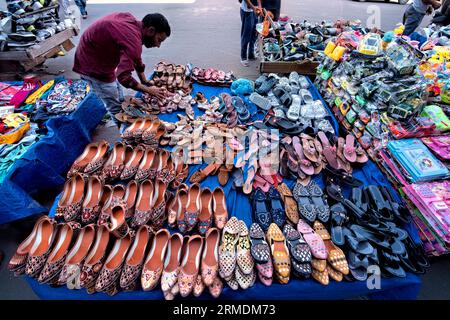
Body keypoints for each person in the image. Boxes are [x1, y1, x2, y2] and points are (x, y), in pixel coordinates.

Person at [73, 12, 170, 127]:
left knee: (117, 93)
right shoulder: (132, 39)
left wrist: (144, 80)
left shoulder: (133, 24)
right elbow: (124, 78)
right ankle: (125, 135)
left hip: (97, 53)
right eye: (159, 40)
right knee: (116, 107)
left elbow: (136, 58)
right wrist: (148, 90)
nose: (158, 45)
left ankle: (120, 106)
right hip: (91, 65)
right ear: (151, 31)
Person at [240, 0, 260, 66]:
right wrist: (253, 8)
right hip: (247, 11)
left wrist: (259, 7)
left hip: (255, 10)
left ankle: (251, 54)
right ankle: (243, 57)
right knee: (246, 35)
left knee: (254, 33)